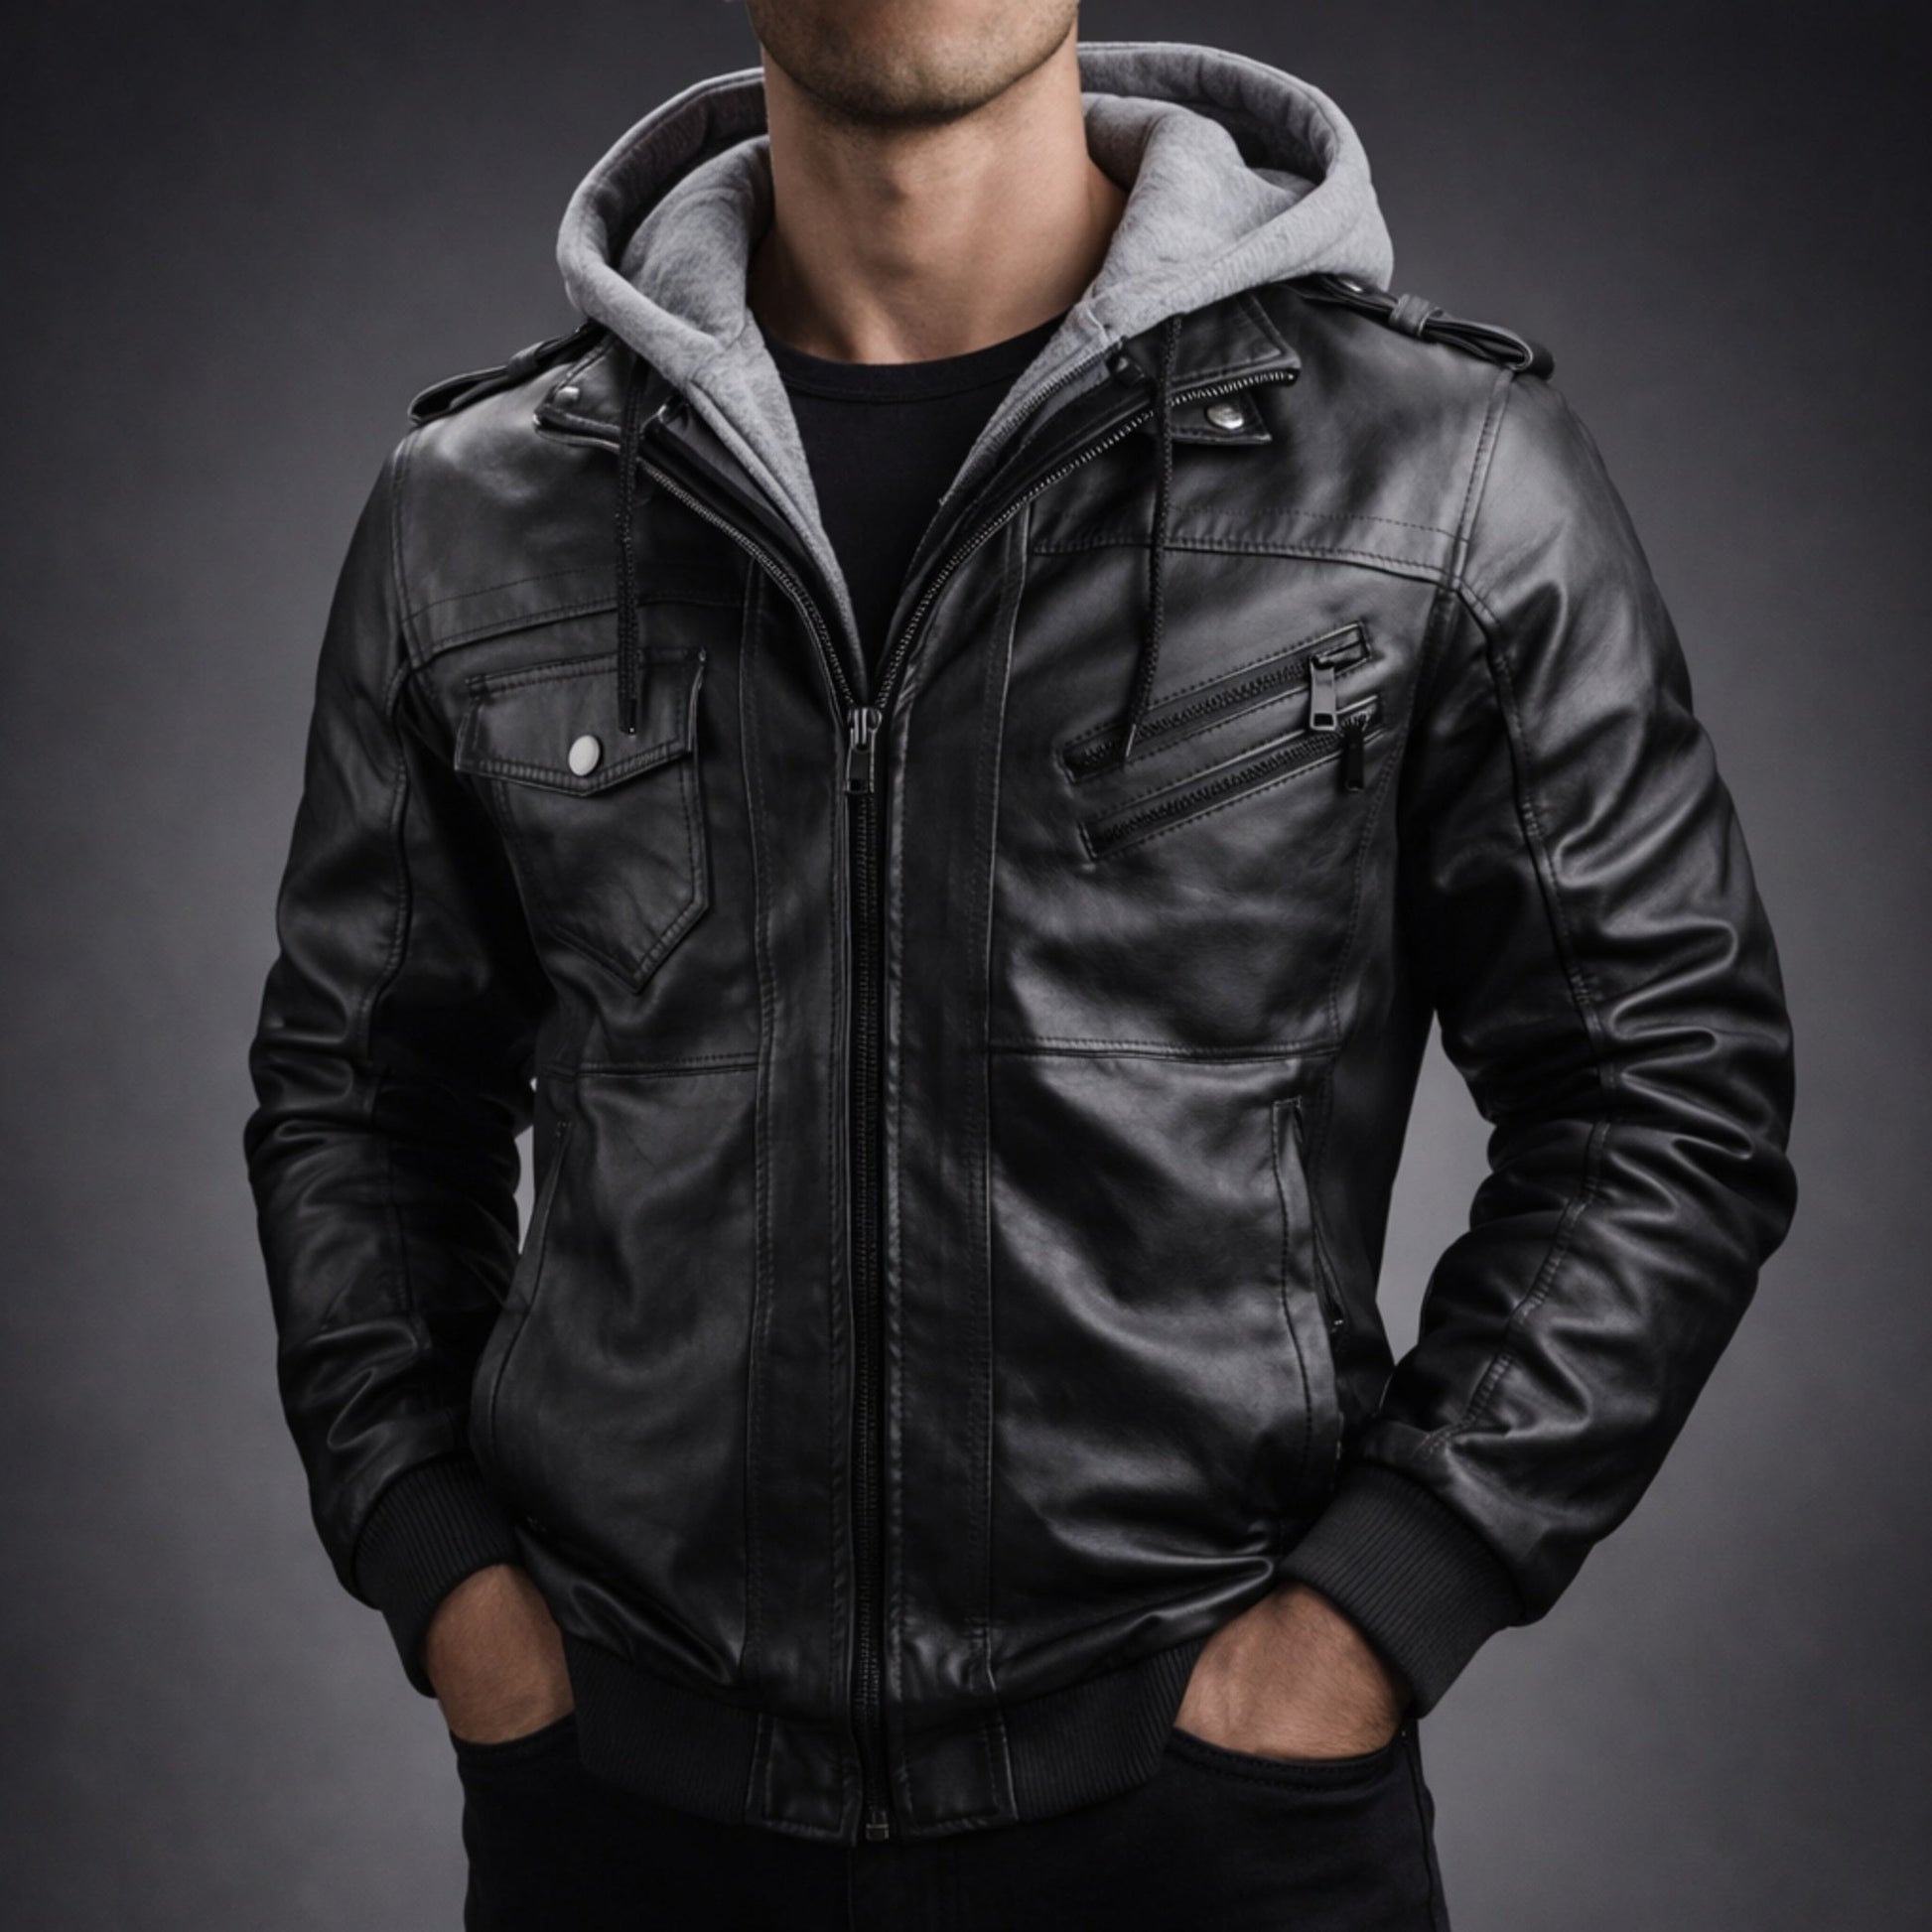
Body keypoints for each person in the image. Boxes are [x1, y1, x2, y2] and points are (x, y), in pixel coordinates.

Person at [241, 6, 1799, 1927]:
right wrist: (449, 1580)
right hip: (629, 1807)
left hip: (1213, 1813)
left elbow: (1666, 1085)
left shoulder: (1440, 475)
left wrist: (1380, 1604)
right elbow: (360, 1100)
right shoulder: (472, 511)